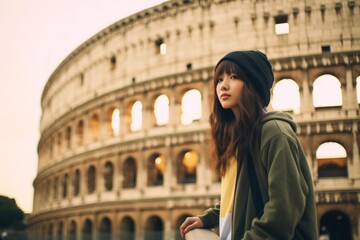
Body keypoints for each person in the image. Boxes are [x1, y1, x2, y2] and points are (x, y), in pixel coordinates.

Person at [180, 50, 318, 239]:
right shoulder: (239, 136)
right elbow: (243, 196)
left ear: (253, 85)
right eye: (219, 80)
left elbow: (284, 207)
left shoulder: (275, 133)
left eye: (234, 77)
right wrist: (209, 218)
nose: (223, 86)